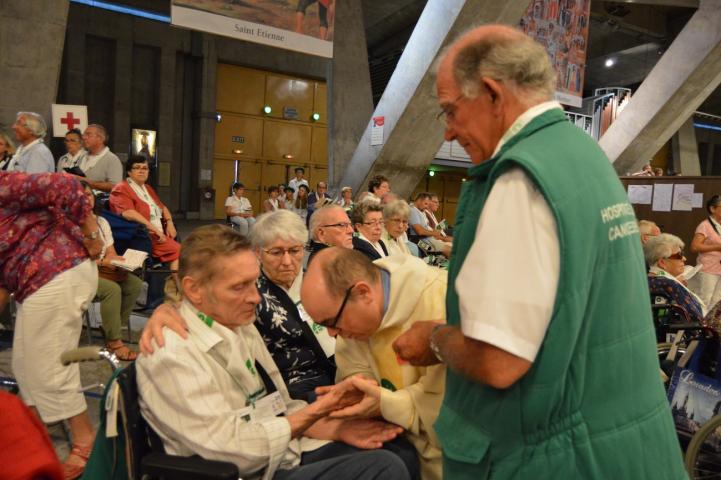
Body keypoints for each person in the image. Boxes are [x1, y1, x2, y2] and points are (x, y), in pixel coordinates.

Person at [392, 25, 685, 478]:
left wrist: (436, 338)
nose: (448, 132)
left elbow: (499, 361)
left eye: (450, 110)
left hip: (552, 458)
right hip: (623, 444)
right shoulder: (583, 155)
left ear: (492, 93)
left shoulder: (519, 180)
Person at [135, 225, 411, 480]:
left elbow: (279, 406)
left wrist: (336, 427)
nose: (255, 297)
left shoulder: (238, 324)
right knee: (385, 468)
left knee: (400, 449)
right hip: (248, 469)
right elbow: (232, 453)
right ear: (194, 289)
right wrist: (319, 410)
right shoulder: (172, 355)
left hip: (281, 452)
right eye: (239, 287)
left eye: (254, 283)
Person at [302, 247, 445, 480]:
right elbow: (355, 374)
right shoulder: (351, 322)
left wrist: (384, 404)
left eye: (332, 322)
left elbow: (446, 409)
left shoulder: (441, 297)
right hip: (398, 449)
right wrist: (356, 395)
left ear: (363, 292)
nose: (331, 334)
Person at [1, 171, 103, 479]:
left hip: (58, 270)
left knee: (49, 367)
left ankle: (86, 441)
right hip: (35, 282)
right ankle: (33, 440)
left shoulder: (4, 185)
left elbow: (67, 185)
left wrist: (91, 233)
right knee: (23, 366)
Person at [250, 210, 336, 400]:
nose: (287, 262)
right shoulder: (250, 294)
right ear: (258, 253)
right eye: (276, 252)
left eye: (295, 251)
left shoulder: (320, 280)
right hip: (291, 387)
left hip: (336, 370)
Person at [82, 181, 143, 361]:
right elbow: (77, 261)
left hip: (102, 270)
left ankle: (112, 329)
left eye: (89, 195)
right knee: (112, 290)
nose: (87, 199)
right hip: (81, 273)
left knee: (134, 284)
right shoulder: (70, 224)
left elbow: (111, 251)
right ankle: (114, 341)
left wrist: (119, 261)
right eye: (82, 196)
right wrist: (103, 262)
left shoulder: (101, 221)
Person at [109, 155, 180, 292]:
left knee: (182, 251)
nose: (142, 171)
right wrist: (155, 229)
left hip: (157, 233)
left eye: (145, 168)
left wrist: (169, 222)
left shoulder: (147, 188)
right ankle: (180, 290)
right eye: (137, 168)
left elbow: (162, 207)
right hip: (142, 235)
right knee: (181, 252)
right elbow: (129, 213)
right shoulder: (121, 188)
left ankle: (171, 290)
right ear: (129, 171)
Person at [644, 233, 705, 323]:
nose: (684, 258)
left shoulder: (646, 280)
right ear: (662, 262)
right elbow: (697, 318)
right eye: (679, 255)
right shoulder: (669, 284)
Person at [689, 195, 721, 309]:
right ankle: (700, 321)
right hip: (708, 269)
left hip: (719, 268)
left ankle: (711, 321)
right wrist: (717, 247)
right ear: (712, 209)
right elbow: (694, 247)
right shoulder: (705, 225)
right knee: (705, 300)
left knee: (717, 301)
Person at [79, 124, 123, 192]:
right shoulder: (82, 157)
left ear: (100, 138)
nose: (84, 138)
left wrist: (87, 182)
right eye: (84, 135)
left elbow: (116, 186)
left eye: (88, 135)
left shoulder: (112, 159)